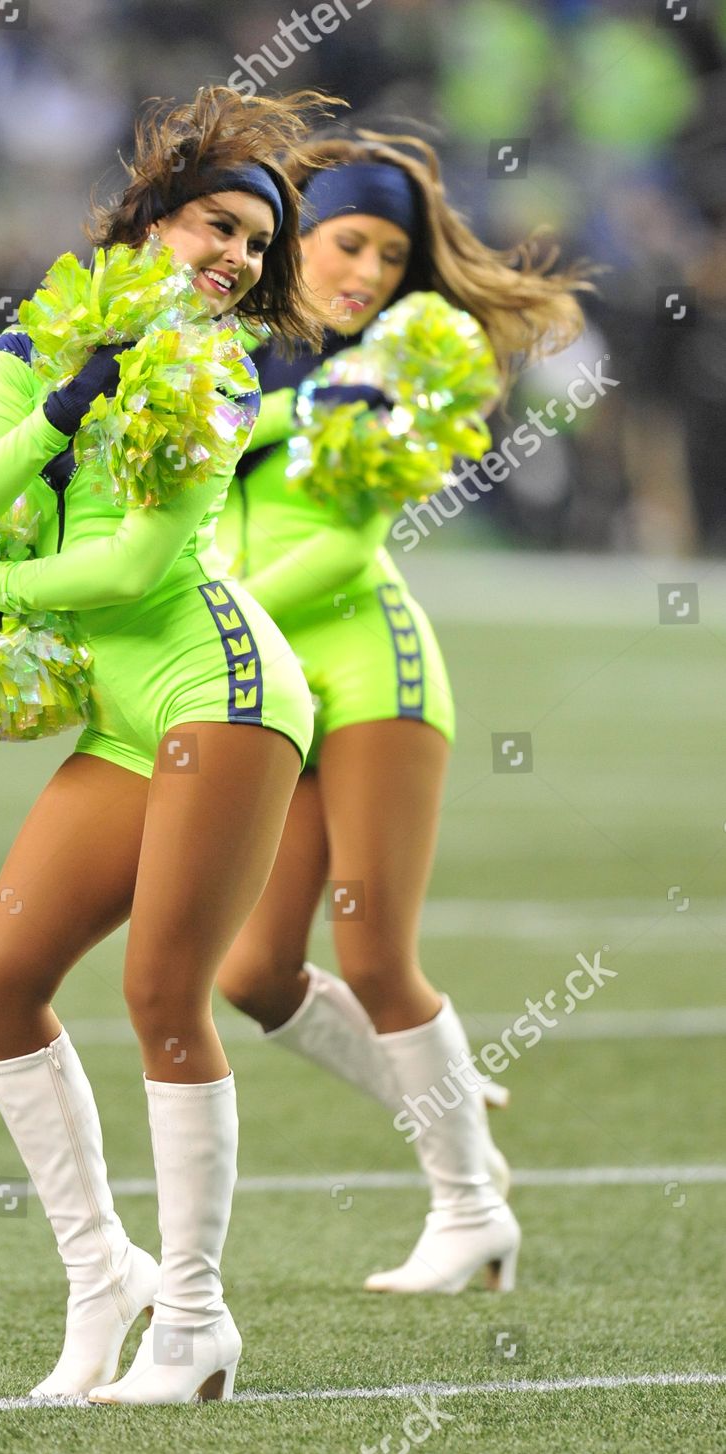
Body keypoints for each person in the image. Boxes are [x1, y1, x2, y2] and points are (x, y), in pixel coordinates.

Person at [0, 87, 333, 1404]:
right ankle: (106, 1280)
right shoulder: (34, 340)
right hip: (119, 716)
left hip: (217, 689)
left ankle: (196, 1320)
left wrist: (7, 596)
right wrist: (56, 414)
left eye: (258, 247)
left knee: (163, 995)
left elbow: (138, 563)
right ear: (153, 219)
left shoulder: (218, 371)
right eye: (219, 225)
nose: (239, 259)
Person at [214, 130, 593, 1293]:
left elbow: (334, 547)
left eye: (388, 252)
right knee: (250, 974)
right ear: (294, 242)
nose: (369, 271)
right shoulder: (232, 350)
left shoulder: (410, 355)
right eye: (346, 243)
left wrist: (209, 624)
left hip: (367, 674)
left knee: (374, 954)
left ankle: (469, 1205)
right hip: (273, 683)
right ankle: (438, 1094)